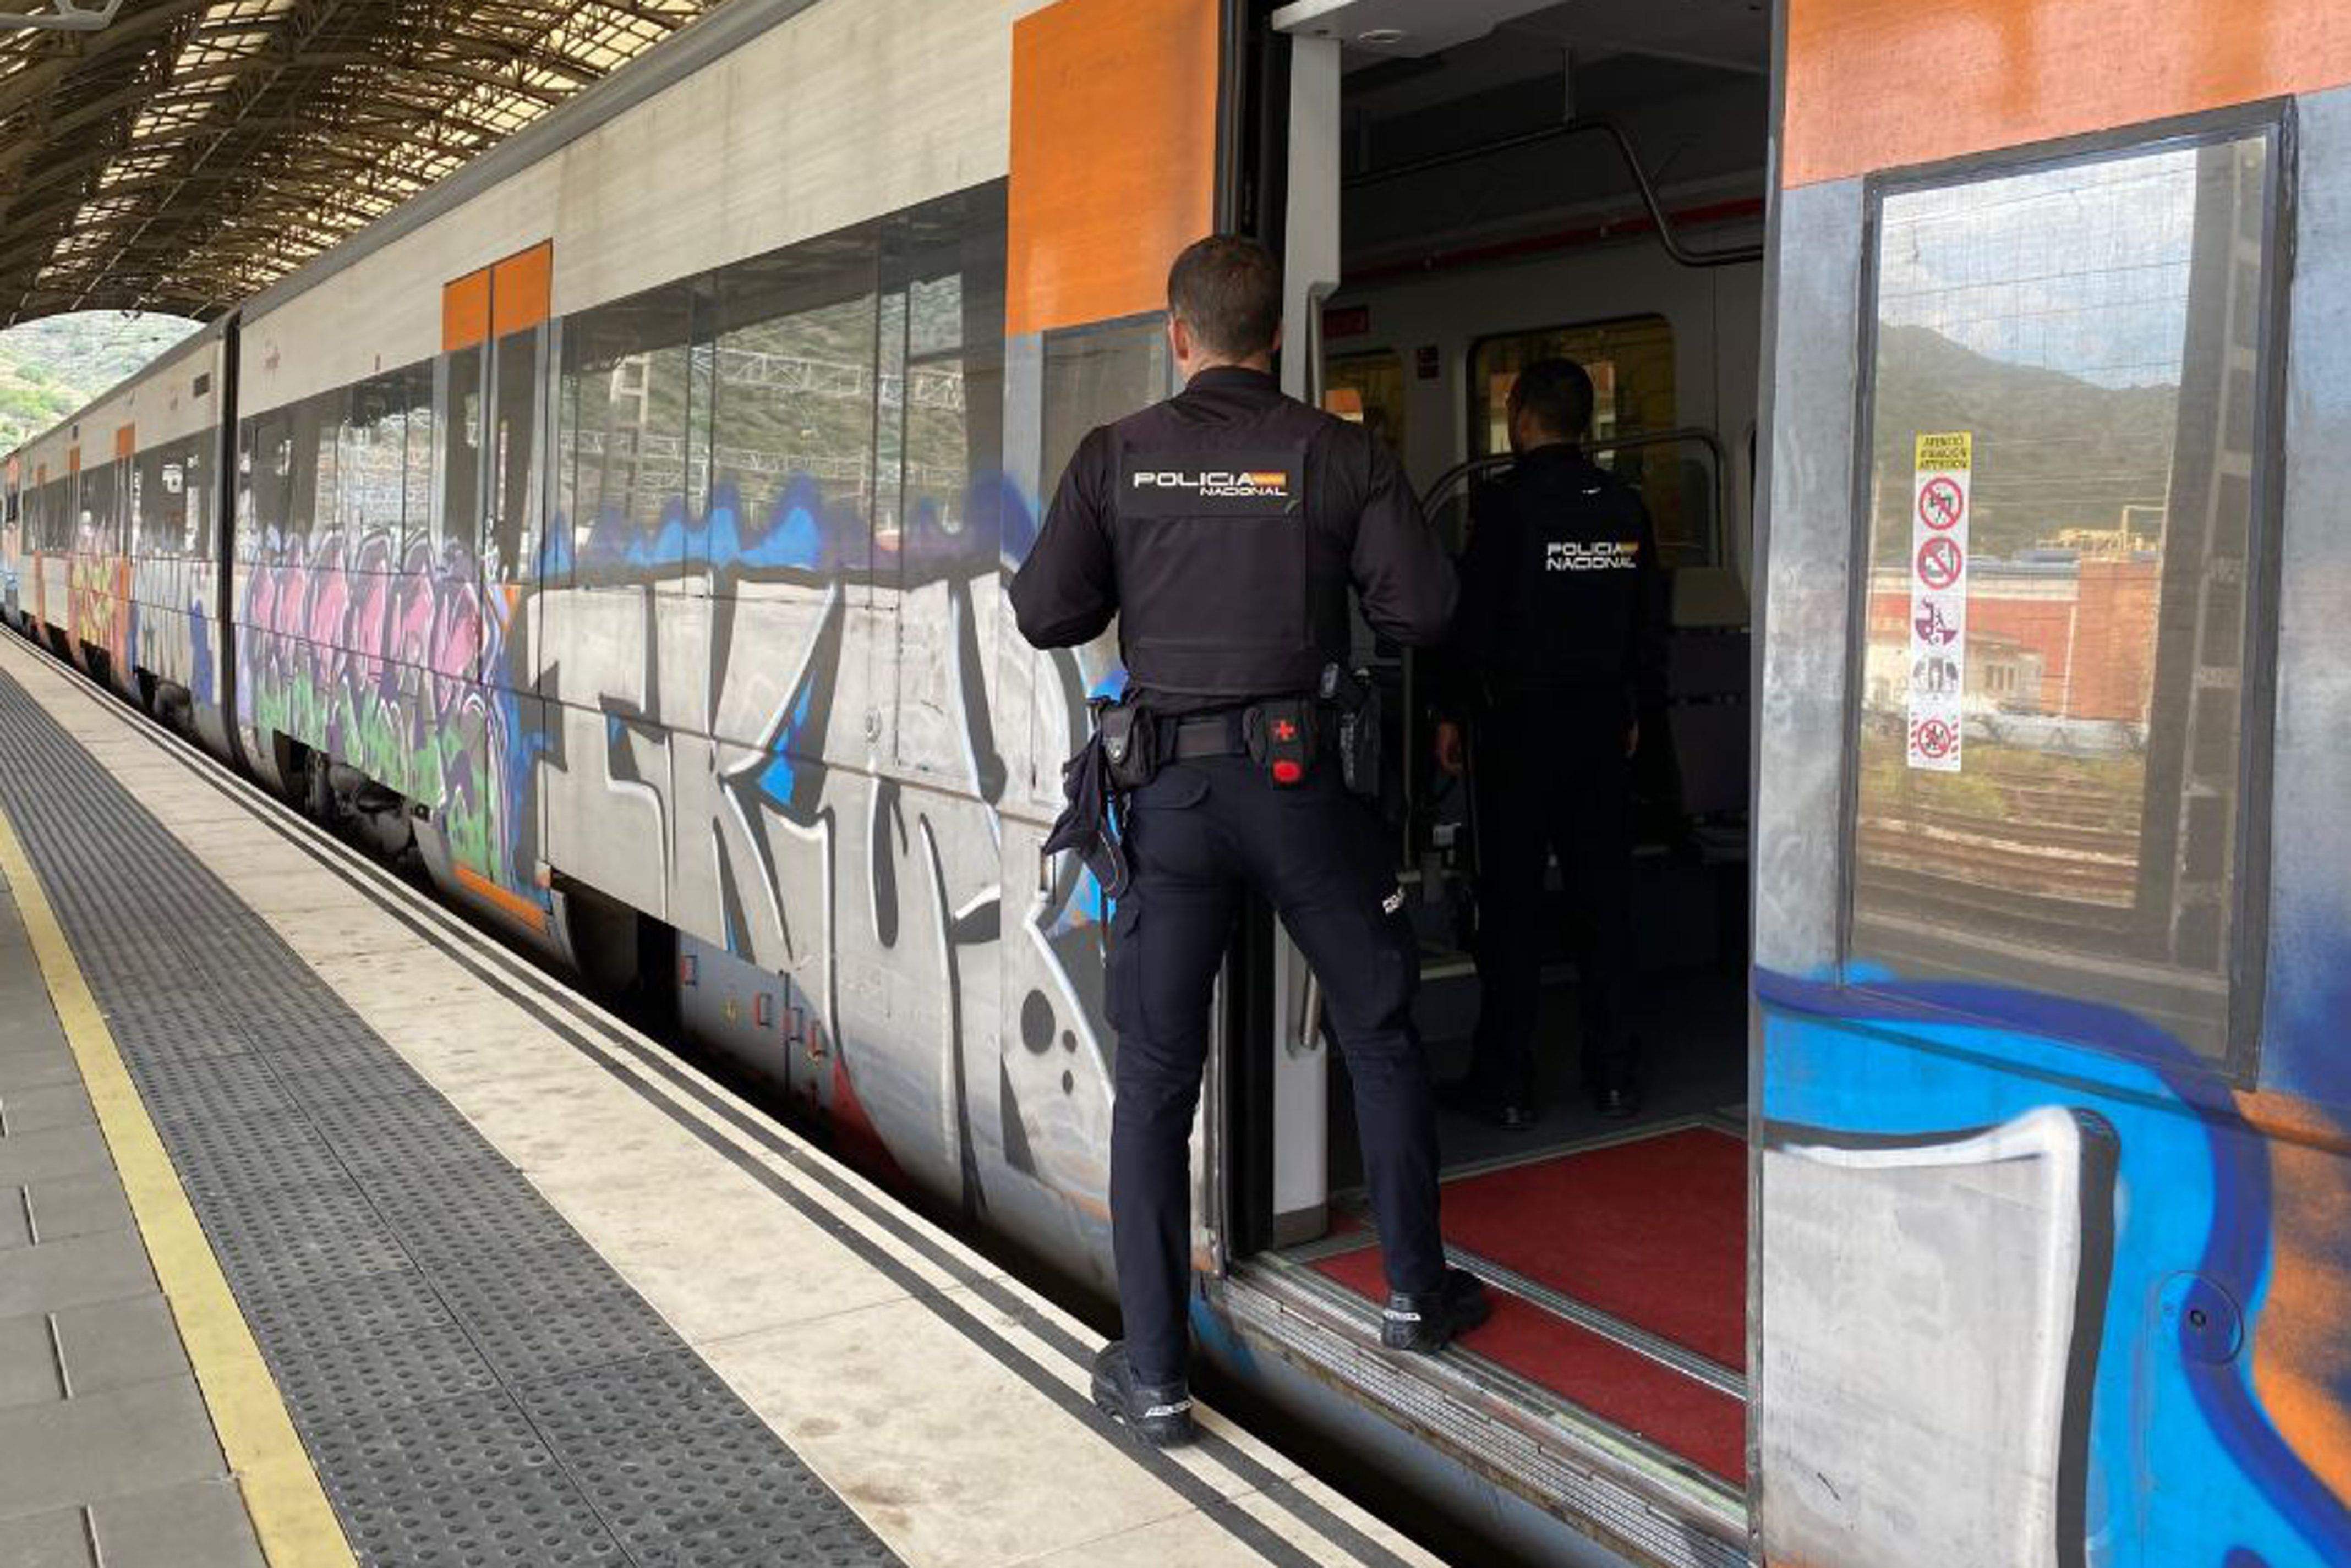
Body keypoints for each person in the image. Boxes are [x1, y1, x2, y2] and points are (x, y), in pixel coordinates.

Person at [1011, 235, 1489, 1448]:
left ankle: (1159, 1378)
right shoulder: (1338, 454)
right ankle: (1412, 1293)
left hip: (1169, 803)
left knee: (1157, 1085)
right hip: (1301, 786)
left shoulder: (1117, 455)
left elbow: (1044, 610)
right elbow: (1424, 610)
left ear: (1179, 336)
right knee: (1378, 1028)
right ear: (1279, 335)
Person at [1434, 358, 1667, 1129]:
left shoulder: (1504, 508)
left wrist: (1451, 713)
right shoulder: (1627, 508)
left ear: (1520, 414)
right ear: (1587, 420)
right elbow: (1644, 625)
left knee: (1514, 907)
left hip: (1518, 729)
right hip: (1603, 725)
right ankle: (1616, 1075)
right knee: (1608, 901)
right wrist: (1634, 708)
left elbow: (1474, 624)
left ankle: (1505, 1081)